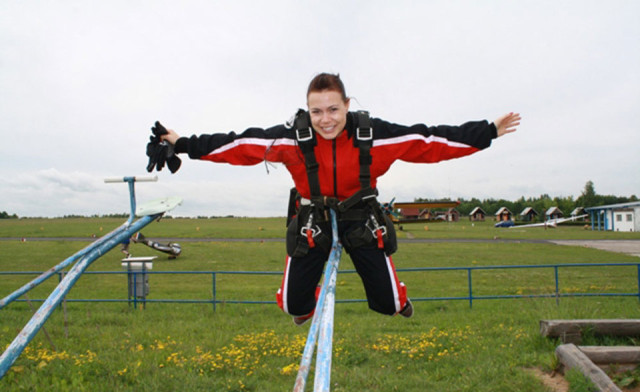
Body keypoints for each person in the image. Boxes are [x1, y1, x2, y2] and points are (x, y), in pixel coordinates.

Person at [146, 72, 521, 325]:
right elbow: (239, 144)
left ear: (347, 104)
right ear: (307, 110)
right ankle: (303, 302)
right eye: (317, 111)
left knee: (389, 304)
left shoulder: (373, 135)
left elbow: (429, 141)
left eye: (333, 110)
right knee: (293, 305)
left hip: (361, 215)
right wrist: (184, 144)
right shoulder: (292, 139)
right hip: (314, 217)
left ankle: (397, 298)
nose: (326, 120)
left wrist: (486, 132)